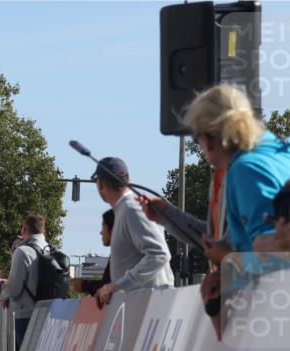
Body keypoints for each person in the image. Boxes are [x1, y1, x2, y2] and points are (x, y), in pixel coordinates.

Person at [140, 84, 290, 330]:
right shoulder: (280, 150)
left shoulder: (245, 170)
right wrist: (169, 216)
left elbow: (276, 259)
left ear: (208, 140)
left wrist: (226, 260)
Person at [90, 156, 173, 307]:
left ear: (100, 184)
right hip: (142, 306)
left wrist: (118, 286)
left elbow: (159, 255)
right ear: (128, 179)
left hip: (149, 307)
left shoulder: (132, 208)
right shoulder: (127, 208)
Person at [1, 214, 49, 351]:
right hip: (48, 312)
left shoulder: (22, 252)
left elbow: (14, 288)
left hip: (26, 314)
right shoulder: (51, 250)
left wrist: (4, 294)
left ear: (23, 229)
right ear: (43, 231)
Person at [73, 210, 114, 297]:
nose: (101, 232)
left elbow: (108, 285)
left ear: (112, 229)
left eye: (103, 226)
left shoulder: (119, 256)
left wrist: (84, 285)